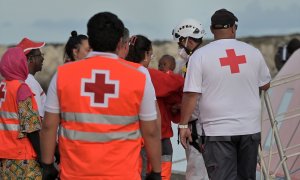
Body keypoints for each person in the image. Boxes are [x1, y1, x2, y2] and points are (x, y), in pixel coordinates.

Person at [40, 12, 161, 180]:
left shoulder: (63, 75)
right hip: (123, 174)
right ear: (120, 42)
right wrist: (155, 171)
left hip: (75, 174)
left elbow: (48, 126)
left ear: (90, 39)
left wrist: (47, 165)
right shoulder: (139, 76)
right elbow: (152, 131)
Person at [179, 9, 271, 180]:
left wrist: (183, 126)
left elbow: (191, 94)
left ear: (212, 30)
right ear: (234, 28)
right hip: (249, 129)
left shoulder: (199, 56)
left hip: (216, 131)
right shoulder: (253, 52)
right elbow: (265, 84)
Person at [126, 36, 184, 180]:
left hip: (131, 141)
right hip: (158, 138)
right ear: (145, 54)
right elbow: (176, 83)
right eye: (151, 54)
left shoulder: (123, 73)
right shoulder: (149, 75)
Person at [172, 19, 208, 180]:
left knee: (196, 174)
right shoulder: (206, 59)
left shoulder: (194, 62)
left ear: (189, 40)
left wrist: (183, 123)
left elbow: (192, 95)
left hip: (198, 128)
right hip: (208, 126)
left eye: (181, 43)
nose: (180, 47)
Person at [0, 47, 42, 179]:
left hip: (5, 157)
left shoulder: (3, 86)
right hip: (23, 157)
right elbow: (31, 128)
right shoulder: (21, 89)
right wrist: (43, 157)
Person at [17, 38, 47, 120]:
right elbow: (37, 119)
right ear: (30, 59)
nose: (42, 58)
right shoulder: (30, 82)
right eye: (40, 55)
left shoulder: (17, 79)